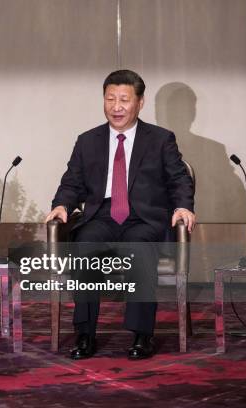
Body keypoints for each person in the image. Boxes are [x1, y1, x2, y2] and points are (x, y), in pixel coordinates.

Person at [45, 70, 195, 360]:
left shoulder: (161, 139)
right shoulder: (87, 141)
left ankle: (142, 336)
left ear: (140, 103)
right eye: (110, 98)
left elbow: (179, 179)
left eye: (124, 100)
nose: (116, 106)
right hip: (101, 217)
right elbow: (72, 182)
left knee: (139, 248)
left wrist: (183, 206)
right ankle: (85, 335)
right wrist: (63, 204)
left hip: (144, 219)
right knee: (84, 246)